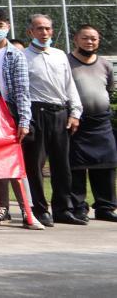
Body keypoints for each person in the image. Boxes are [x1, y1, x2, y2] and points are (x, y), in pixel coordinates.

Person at [0, 9, 42, 230]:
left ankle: (27, 209)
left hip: (10, 114)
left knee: (16, 164)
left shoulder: (15, 55)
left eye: (0, 25)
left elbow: (22, 90)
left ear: (8, 27)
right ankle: (2, 208)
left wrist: (24, 121)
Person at [21, 13, 83, 226]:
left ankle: (63, 209)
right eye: (39, 28)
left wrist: (75, 113)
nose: (44, 32)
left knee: (62, 165)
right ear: (30, 31)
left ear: (52, 31)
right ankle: (40, 210)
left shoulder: (59, 55)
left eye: (47, 28)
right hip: (36, 113)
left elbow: (69, 85)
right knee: (35, 164)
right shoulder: (22, 56)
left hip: (60, 113)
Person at [68, 24, 117, 223]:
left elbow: (109, 89)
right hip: (77, 124)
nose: (90, 42)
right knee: (76, 167)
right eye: (85, 38)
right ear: (76, 39)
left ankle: (105, 207)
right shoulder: (66, 62)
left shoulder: (105, 64)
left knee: (106, 166)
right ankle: (79, 207)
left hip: (102, 124)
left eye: (94, 39)